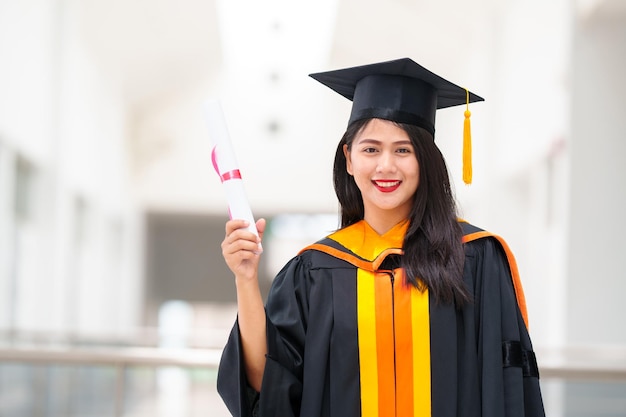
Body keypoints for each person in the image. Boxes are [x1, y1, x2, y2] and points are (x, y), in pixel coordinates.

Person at [217, 58, 545, 417]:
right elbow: (268, 386)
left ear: (426, 159)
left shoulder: (477, 258)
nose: (386, 166)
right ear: (349, 158)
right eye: (371, 149)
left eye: (403, 150)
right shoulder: (315, 271)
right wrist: (246, 279)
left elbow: (509, 389)